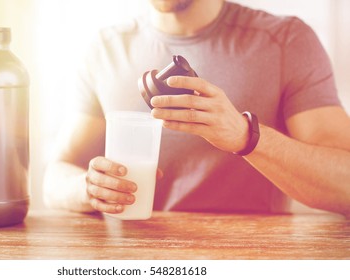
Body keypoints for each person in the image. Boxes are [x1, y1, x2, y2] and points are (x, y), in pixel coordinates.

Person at [43, 0, 350, 217]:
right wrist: (88, 189)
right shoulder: (106, 49)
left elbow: (344, 185)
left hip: (247, 258)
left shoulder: (286, 41)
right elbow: (55, 176)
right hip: (133, 256)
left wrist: (246, 136)